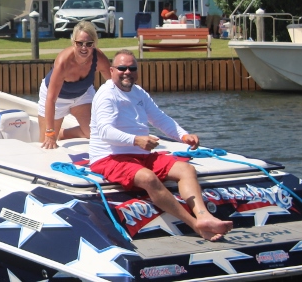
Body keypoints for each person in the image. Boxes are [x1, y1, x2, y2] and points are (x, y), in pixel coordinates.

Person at [89, 49, 233, 242]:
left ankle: (203, 215)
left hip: (140, 153)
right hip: (109, 157)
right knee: (149, 178)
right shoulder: (106, 95)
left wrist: (184, 135)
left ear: (137, 71)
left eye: (132, 68)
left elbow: (159, 118)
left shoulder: (139, 93)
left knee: (186, 169)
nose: (127, 72)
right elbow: (105, 132)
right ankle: (195, 225)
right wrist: (136, 140)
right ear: (112, 70)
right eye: (122, 68)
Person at [38, 21, 111, 149]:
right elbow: (51, 99)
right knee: (46, 142)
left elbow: (114, 85)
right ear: (73, 42)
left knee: (96, 134)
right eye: (80, 43)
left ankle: (64, 133)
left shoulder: (99, 58)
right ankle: (55, 133)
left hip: (82, 95)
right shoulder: (63, 62)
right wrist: (49, 133)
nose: (84, 48)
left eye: (89, 44)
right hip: (56, 98)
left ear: (94, 44)